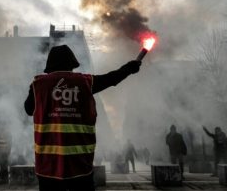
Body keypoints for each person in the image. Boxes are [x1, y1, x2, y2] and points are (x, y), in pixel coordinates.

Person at [24, 45, 141, 191]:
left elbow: (28, 110)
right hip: (80, 165)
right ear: (72, 63)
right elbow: (112, 78)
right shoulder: (85, 82)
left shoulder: (38, 85)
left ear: (50, 65)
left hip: (48, 166)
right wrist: (130, 67)